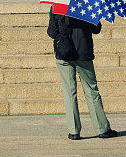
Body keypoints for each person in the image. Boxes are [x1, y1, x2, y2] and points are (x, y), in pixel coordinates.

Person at [47, 9, 116, 141]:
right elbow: (96, 29)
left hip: (64, 54)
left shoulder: (57, 3)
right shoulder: (88, 1)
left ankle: (73, 131)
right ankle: (102, 129)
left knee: (69, 92)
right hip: (83, 53)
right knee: (91, 90)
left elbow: (51, 32)